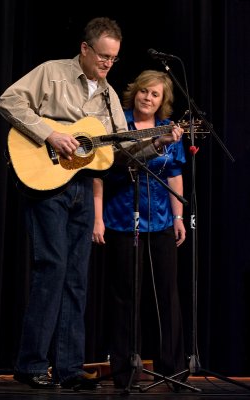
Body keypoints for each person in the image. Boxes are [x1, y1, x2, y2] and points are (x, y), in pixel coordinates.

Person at [0, 17, 130, 390]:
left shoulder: (108, 94)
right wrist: (50, 133)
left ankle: (69, 368)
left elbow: (123, 146)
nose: (107, 64)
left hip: (83, 186)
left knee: (76, 279)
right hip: (46, 182)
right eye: (102, 56)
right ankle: (31, 363)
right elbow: (8, 100)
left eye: (113, 59)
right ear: (85, 49)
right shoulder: (52, 73)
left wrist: (159, 141)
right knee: (51, 268)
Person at [93, 69, 187, 389]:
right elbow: (99, 173)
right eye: (145, 91)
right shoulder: (120, 124)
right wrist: (97, 218)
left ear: (163, 101)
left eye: (155, 94)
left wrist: (178, 217)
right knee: (124, 297)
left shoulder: (169, 130)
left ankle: (173, 369)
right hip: (122, 218)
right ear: (136, 92)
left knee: (167, 296)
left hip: (160, 219)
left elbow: (174, 173)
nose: (149, 98)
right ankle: (124, 370)